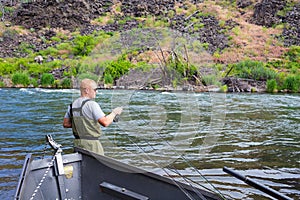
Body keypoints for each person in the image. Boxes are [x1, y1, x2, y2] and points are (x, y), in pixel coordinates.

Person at [63, 78, 123, 155]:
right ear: (87, 90)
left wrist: (83, 125)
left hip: (77, 144)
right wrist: (114, 113)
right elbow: (105, 122)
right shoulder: (92, 104)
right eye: (95, 89)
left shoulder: (72, 105)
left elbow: (66, 124)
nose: (96, 92)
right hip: (92, 145)